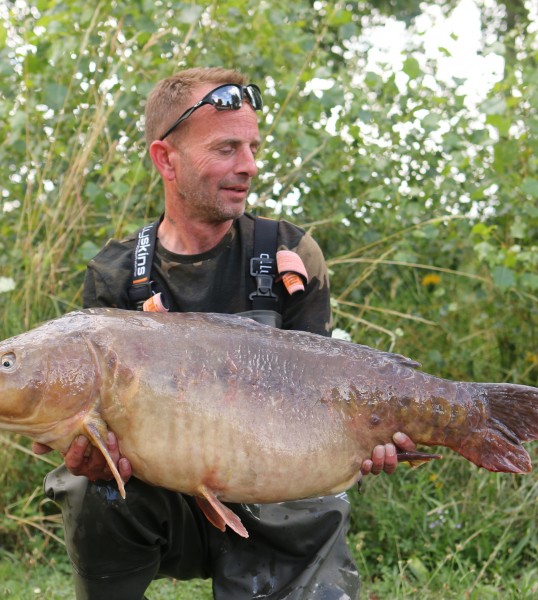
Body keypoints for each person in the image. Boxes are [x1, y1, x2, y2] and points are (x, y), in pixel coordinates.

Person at [35, 67, 416, 600]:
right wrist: (90, 454)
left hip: (283, 496)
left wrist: (368, 438)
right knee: (85, 486)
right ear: (165, 159)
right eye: (227, 148)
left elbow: (330, 396)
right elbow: (94, 427)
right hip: (170, 501)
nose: (250, 166)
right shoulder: (116, 274)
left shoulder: (289, 255)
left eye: (253, 147)